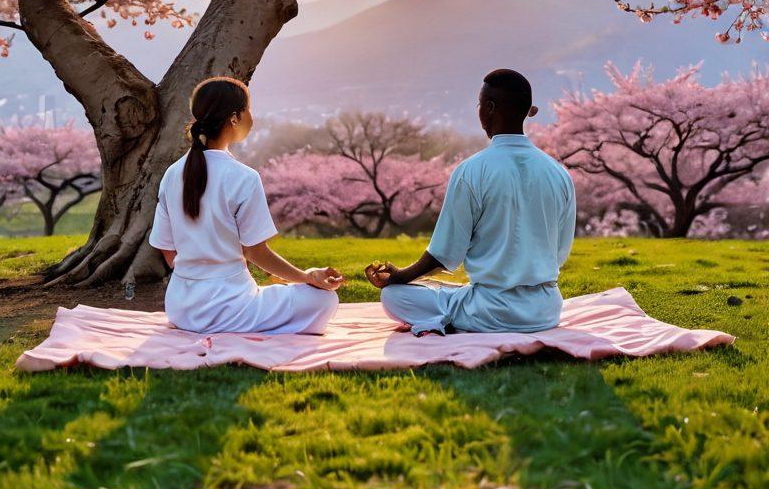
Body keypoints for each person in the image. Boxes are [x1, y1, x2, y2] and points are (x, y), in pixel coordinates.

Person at [365, 68, 576, 336]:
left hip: (490, 311)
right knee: (455, 292)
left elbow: (444, 253)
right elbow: (560, 253)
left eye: (479, 104)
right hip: (545, 311)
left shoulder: (472, 171)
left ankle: (454, 318)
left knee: (394, 297)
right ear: (527, 111)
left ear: (489, 108)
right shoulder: (558, 173)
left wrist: (401, 276)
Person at [149, 76, 343, 334]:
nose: (252, 116)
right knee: (324, 299)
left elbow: (166, 247)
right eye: (248, 109)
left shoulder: (172, 174)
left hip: (181, 309)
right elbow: (256, 253)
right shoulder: (244, 177)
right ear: (234, 118)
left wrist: (197, 276)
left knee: (272, 294)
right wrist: (307, 277)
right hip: (228, 309)